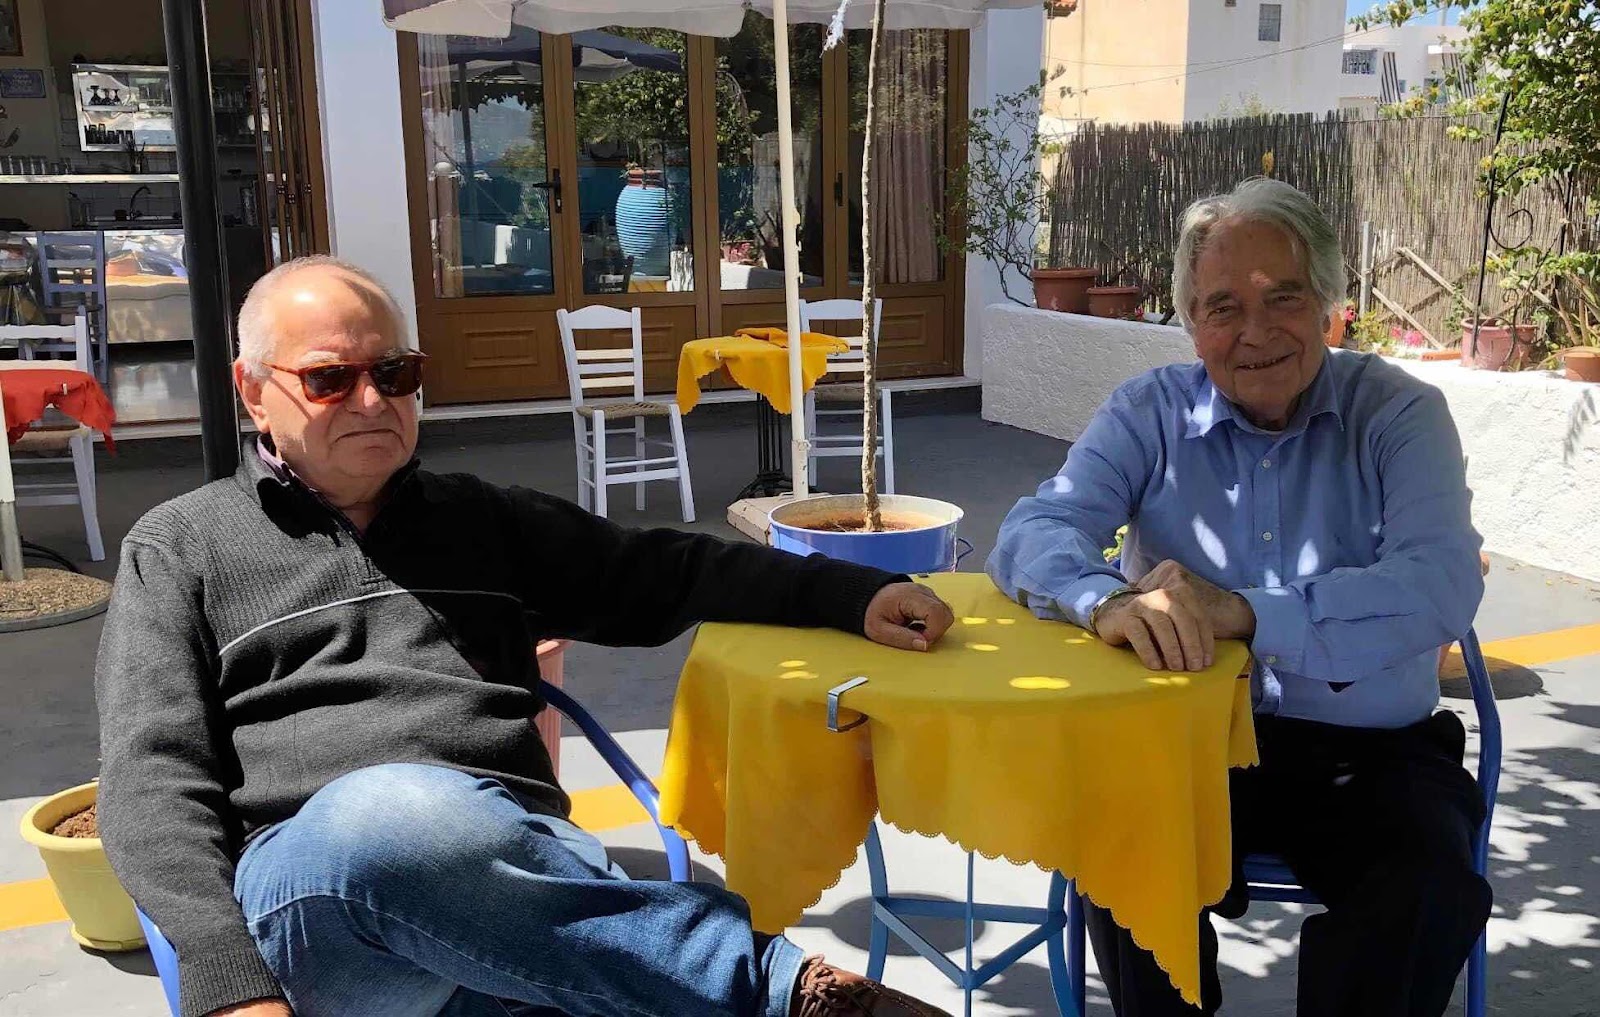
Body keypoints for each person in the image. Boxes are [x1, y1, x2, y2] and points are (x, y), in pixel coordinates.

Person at [95, 256, 958, 1017]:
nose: (373, 400)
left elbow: (666, 570)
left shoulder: (482, 520)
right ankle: (779, 992)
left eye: (396, 372)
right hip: (328, 919)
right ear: (253, 390)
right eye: (330, 378)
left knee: (485, 871)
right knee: (387, 816)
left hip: (518, 895)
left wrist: (853, 592)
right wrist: (225, 978)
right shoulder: (181, 548)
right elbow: (151, 780)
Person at [987, 179, 1491, 1017]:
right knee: (1114, 842)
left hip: (1374, 754)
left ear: (1328, 306)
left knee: (1427, 886)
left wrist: (1246, 611)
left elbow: (1440, 581)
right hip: (1184, 741)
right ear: (1191, 322)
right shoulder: (1148, 411)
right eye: (1223, 307)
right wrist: (1104, 601)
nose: (1255, 333)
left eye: (1283, 297)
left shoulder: (1400, 414)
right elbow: (1034, 529)